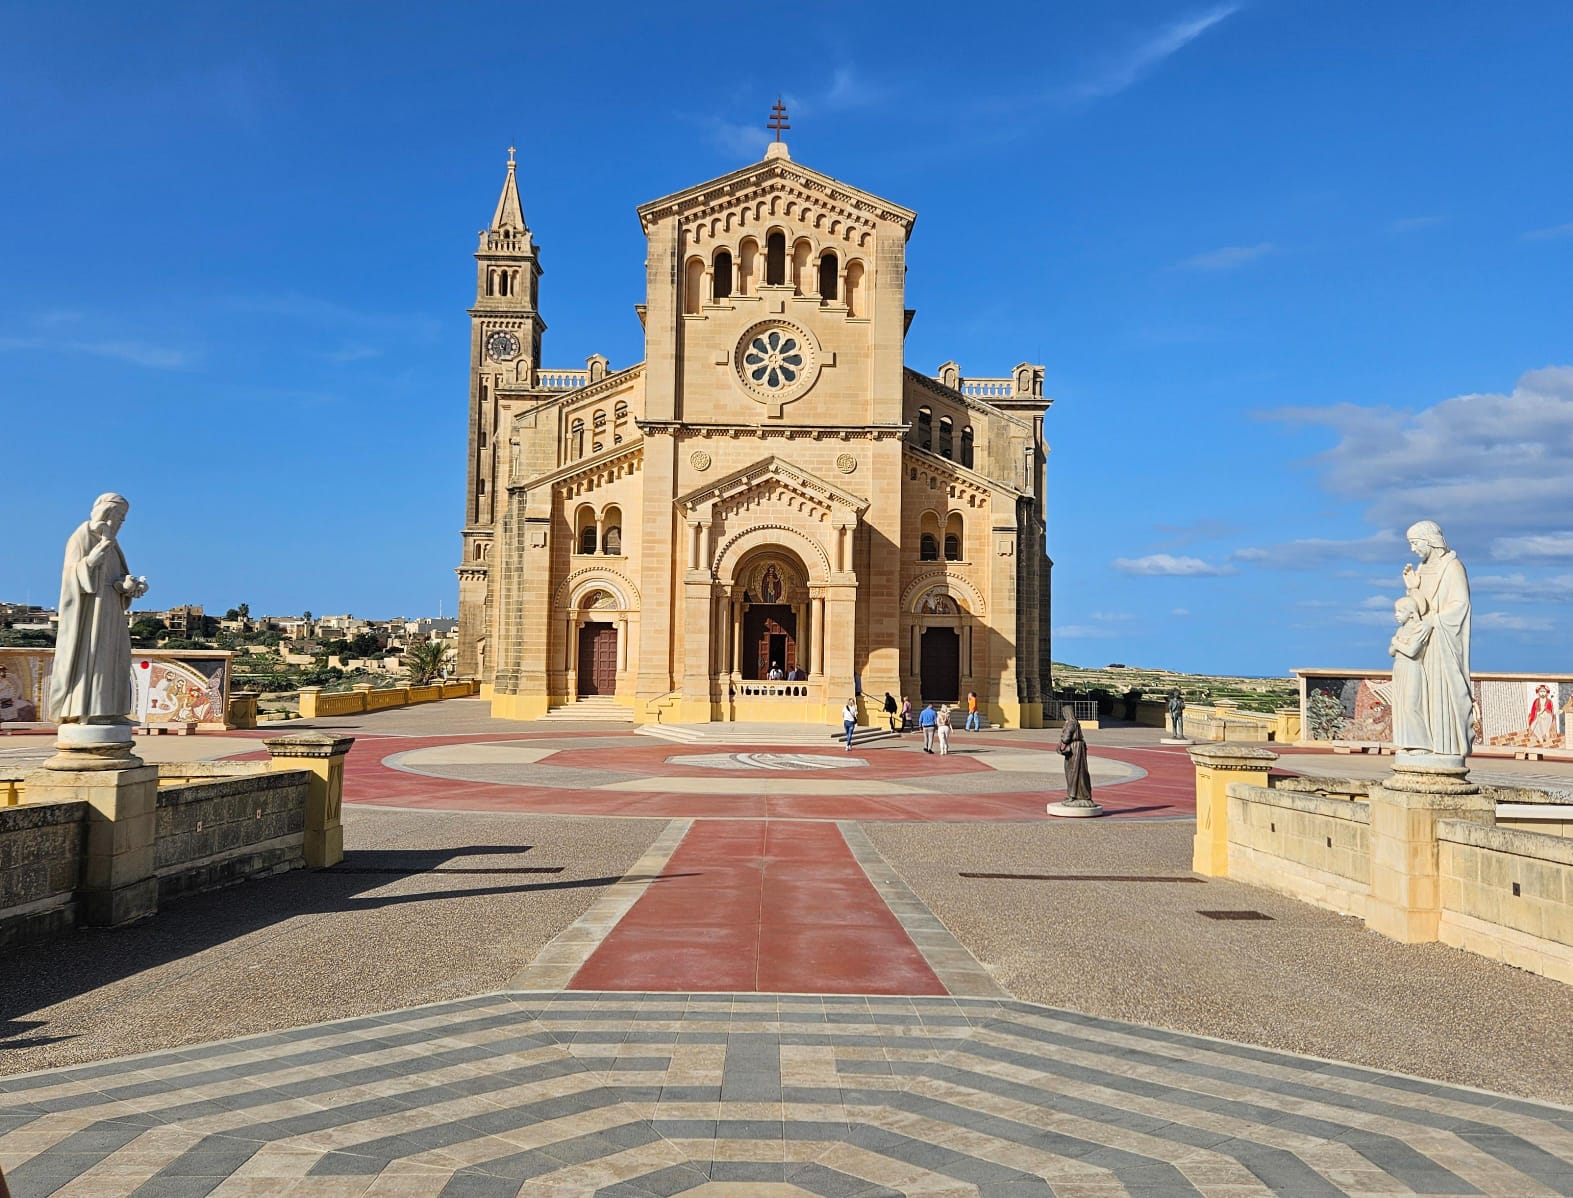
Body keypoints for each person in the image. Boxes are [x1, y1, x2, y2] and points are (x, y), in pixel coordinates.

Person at [50, 492, 149, 724]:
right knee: (94, 660)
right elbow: (71, 575)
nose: (121, 522)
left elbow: (118, 578)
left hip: (112, 609)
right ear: (107, 513)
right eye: (119, 516)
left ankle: (113, 711)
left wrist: (128, 586)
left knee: (116, 660)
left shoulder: (113, 545)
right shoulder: (82, 536)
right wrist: (92, 559)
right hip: (91, 611)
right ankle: (89, 712)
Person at [1400, 519, 1474, 758]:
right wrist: (1413, 588)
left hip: (1441, 644)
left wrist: (1434, 621)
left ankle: (1445, 748)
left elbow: (1460, 605)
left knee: (1441, 695)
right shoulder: (1422, 569)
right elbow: (1420, 609)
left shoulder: (1453, 567)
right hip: (1423, 642)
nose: (1413, 549)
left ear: (1430, 541)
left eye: (1415, 543)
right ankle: (1422, 743)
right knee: (1421, 697)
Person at [1388, 594, 1429, 752]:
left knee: (1412, 707)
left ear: (1411, 613)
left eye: (1400, 611)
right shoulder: (1401, 629)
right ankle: (1408, 743)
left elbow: (1412, 651)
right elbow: (1391, 652)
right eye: (1396, 611)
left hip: (1412, 668)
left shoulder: (1419, 628)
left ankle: (1423, 744)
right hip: (1399, 668)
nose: (1396, 614)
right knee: (1401, 708)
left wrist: (1396, 642)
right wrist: (1397, 644)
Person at [1055, 709, 1095, 808]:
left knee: (1073, 772)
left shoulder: (1070, 724)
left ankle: (1074, 795)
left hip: (1074, 750)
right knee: (1079, 772)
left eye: (1064, 713)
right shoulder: (1076, 723)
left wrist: (1062, 735)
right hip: (1078, 749)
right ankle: (1077, 795)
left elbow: (1066, 739)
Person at [1529, 683, 1558, 748]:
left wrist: (1542, 712)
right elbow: (1533, 710)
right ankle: (1540, 738)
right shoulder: (1536, 701)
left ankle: (1546, 734)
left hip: (1547, 717)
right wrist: (1538, 714)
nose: (1542, 693)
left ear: (1546, 693)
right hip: (1538, 716)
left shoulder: (1549, 701)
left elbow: (1550, 711)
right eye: (1541, 691)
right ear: (1538, 693)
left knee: (1545, 716)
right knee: (1533, 725)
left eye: (1544, 691)